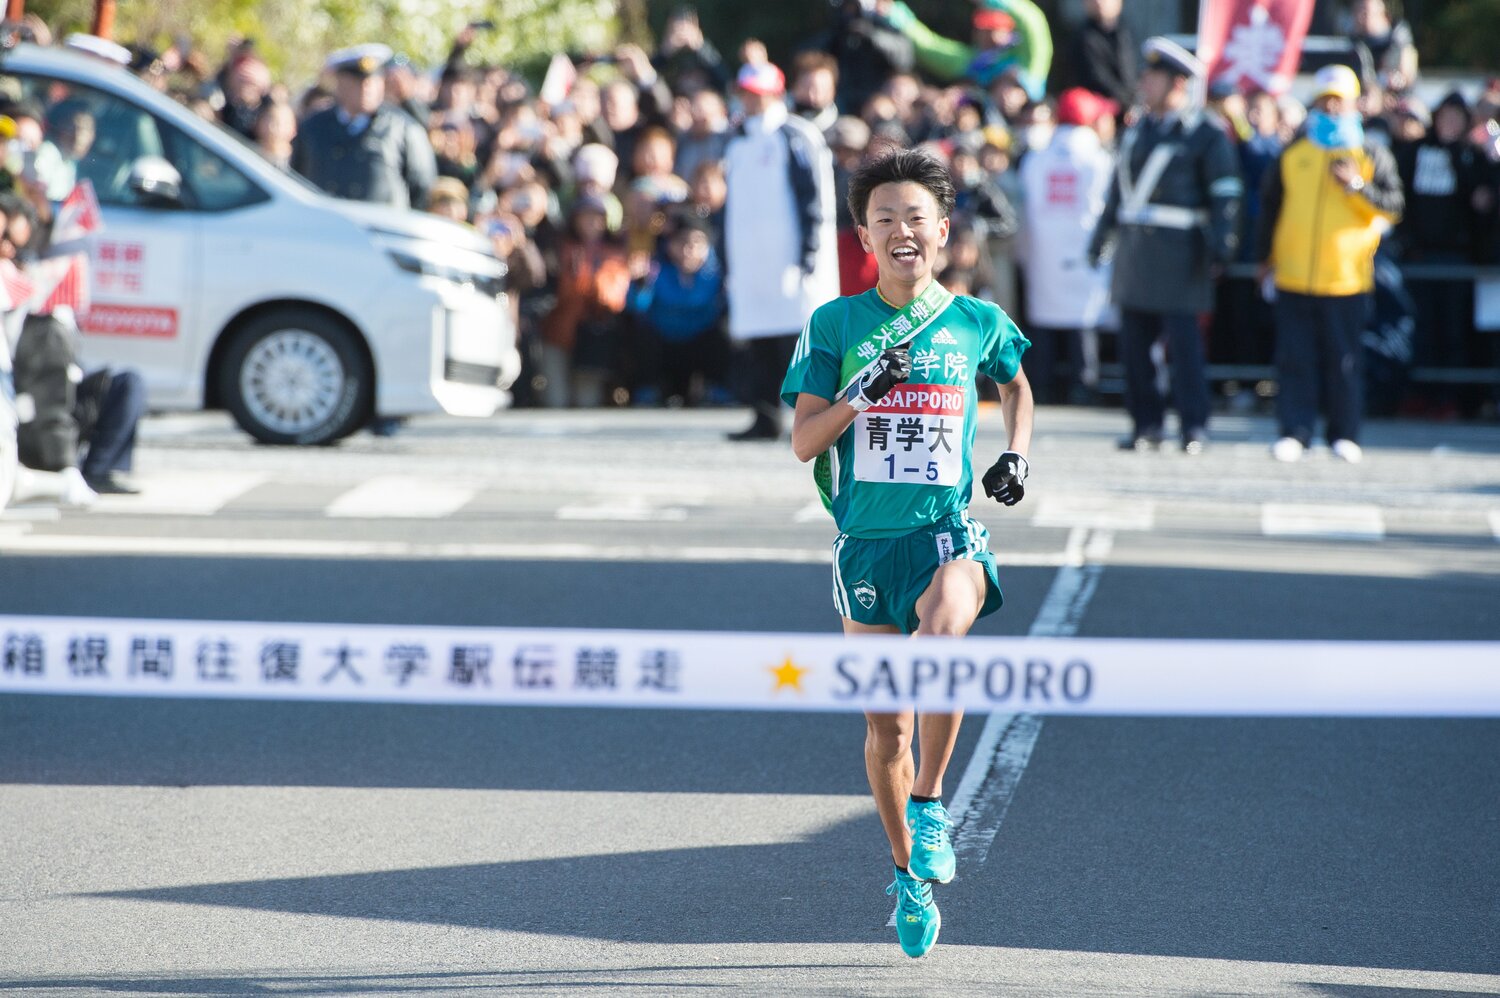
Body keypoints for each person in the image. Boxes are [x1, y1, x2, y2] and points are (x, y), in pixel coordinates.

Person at [781, 148, 1033, 959]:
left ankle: (929, 804)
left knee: (943, 636)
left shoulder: (973, 320)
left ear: (942, 231)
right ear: (864, 235)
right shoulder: (835, 325)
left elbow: (1016, 383)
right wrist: (863, 395)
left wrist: (1015, 452)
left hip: (946, 531)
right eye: (884, 218)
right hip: (865, 546)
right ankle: (907, 874)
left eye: (915, 217)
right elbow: (802, 441)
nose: (901, 231)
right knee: (886, 728)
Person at [1087, 38, 1242, 453]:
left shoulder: (1205, 133)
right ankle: (1145, 423)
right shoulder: (1137, 131)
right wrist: (1100, 236)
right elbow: (1117, 193)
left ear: (1177, 83)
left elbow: (1225, 192)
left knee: (1185, 347)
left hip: (1181, 252)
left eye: (1152, 76)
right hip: (1136, 252)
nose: (1143, 82)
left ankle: (1194, 425)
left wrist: (1222, 245)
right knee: (1134, 346)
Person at [1256, 64, 1402, 463]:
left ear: (1355, 104)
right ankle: (1295, 431)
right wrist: (1264, 258)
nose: (1332, 109)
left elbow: (1394, 207)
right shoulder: (1295, 152)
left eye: (1339, 101)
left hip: (1346, 278)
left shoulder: (1371, 154)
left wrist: (1357, 186)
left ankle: (1344, 432)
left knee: (1345, 361)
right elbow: (1270, 208)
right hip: (1295, 273)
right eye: (1325, 102)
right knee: (1294, 358)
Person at [723, 60, 839, 441]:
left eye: (759, 95)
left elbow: (813, 199)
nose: (752, 102)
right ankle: (764, 415)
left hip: (788, 257)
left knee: (796, 341)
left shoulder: (795, 135)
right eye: (746, 94)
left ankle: (811, 418)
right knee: (757, 342)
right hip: (752, 260)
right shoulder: (738, 141)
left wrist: (809, 251)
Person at [1019, 87, 1115, 405]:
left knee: (1043, 319)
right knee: (1083, 320)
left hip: (1043, 252)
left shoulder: (1036, 158)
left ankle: (1042, 385)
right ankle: (1083, 384)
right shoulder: (1098, 160)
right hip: (1086, 252)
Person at [290, 44, 437, 210]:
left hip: (383, 230)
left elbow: (423, 185)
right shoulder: (313, 126)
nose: (366, 88)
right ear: (339, 83)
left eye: (372, 81)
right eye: (357, 82)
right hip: (326, 227)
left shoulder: (403, 128)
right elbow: (296, 178)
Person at [883, 0, 1052, 101]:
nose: (989, 36)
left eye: (995, 29)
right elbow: (930, 47)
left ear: (1009, 31)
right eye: (984, 30)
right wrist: (895, 15)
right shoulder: (973, 64)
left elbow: (1033, 22)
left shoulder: (1028, 62)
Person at [1067, 0, 1135, 111]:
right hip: (1099, 110)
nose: (1099, 2)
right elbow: (1096, 77)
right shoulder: (1083, 37)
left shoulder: (1125, 33)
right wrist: (1126, 102)